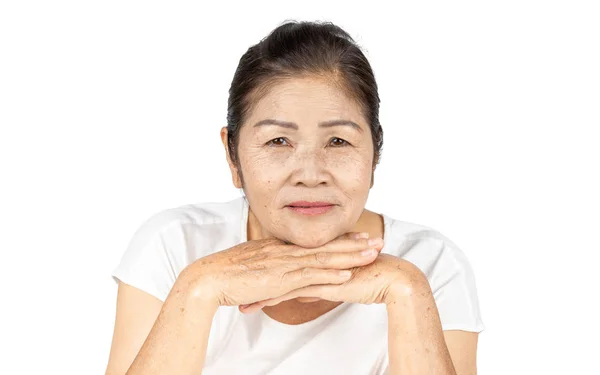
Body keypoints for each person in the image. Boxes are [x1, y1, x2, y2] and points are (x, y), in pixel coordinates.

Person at [105, 20, 485, 375]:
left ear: (375, 154)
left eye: (338, 141)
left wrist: (406, 290)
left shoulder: (433, 264)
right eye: (277, 141)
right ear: (232, 155)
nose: (310, 175)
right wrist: (200, 287)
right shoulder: (174, 245)